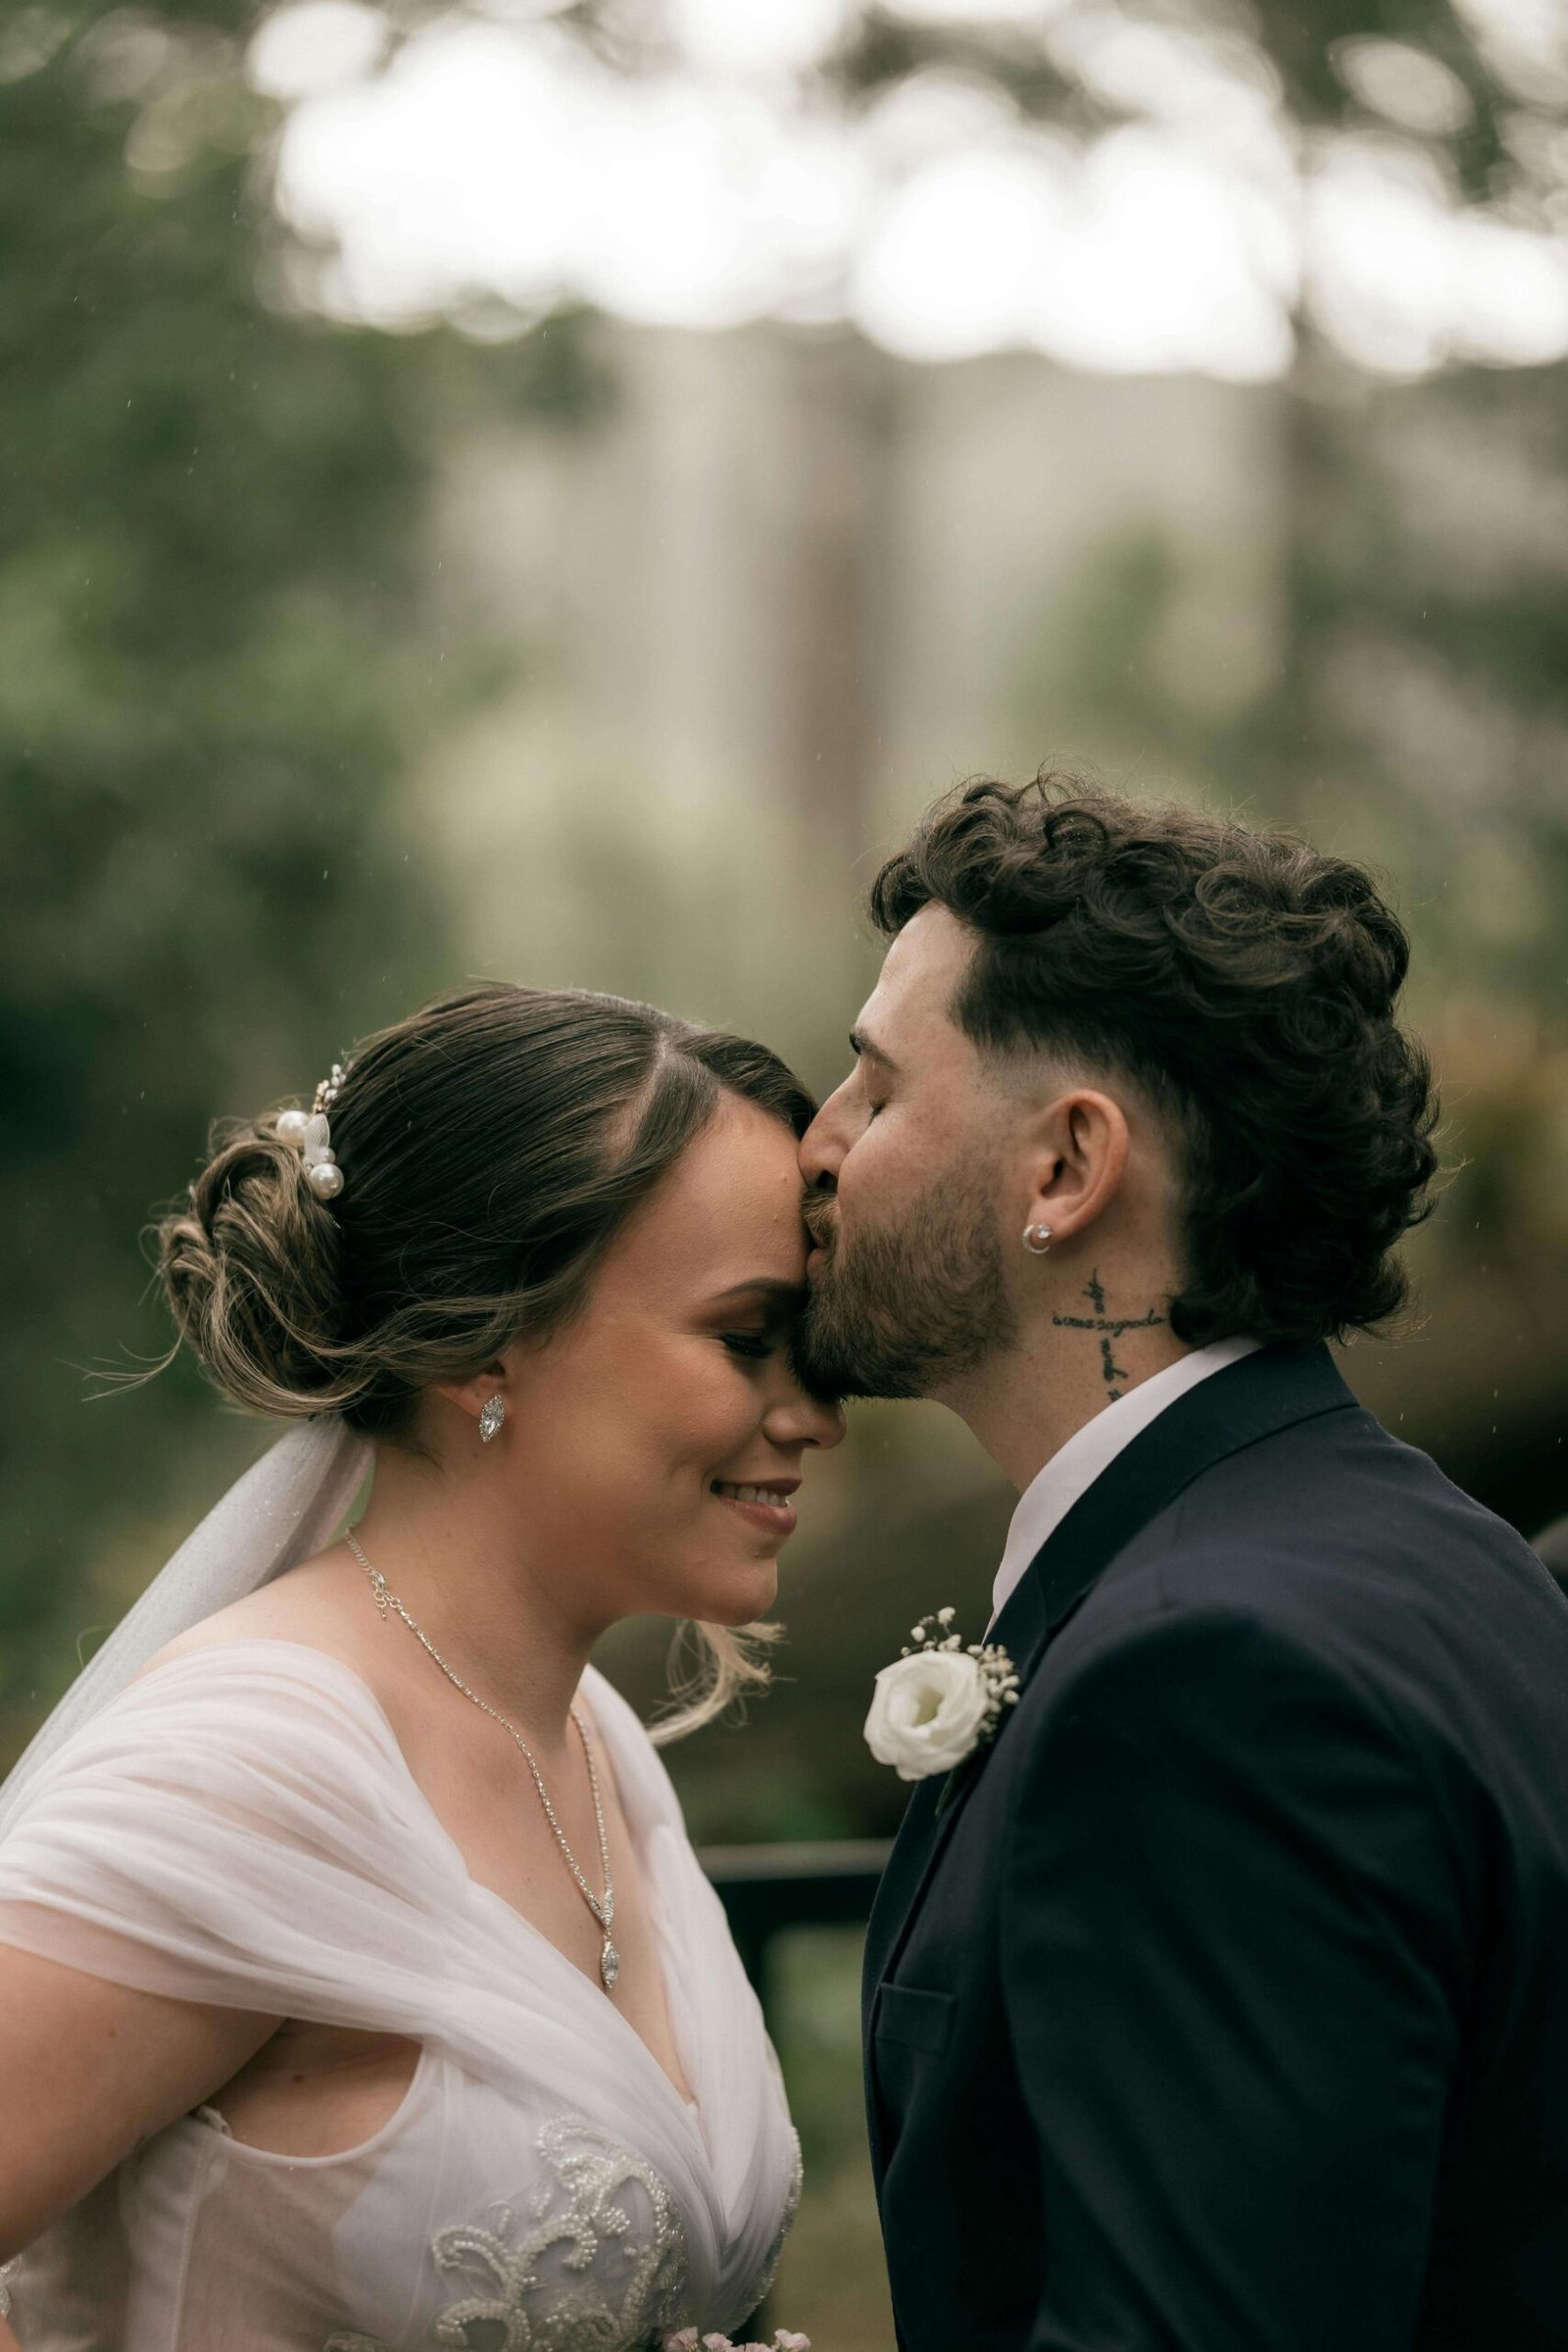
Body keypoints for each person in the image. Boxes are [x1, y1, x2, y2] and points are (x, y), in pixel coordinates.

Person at [796, 775, 1568, 2352]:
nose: (815, 1148)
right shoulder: (1456, 1562)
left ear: (1067, 1168)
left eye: (875, 1093)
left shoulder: (1204, 1680)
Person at [0, 982, 842, 2350]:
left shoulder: (598, 1741)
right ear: (481, 1342)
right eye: (747, 1338)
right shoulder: (253, 1765)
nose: (811, 1417)